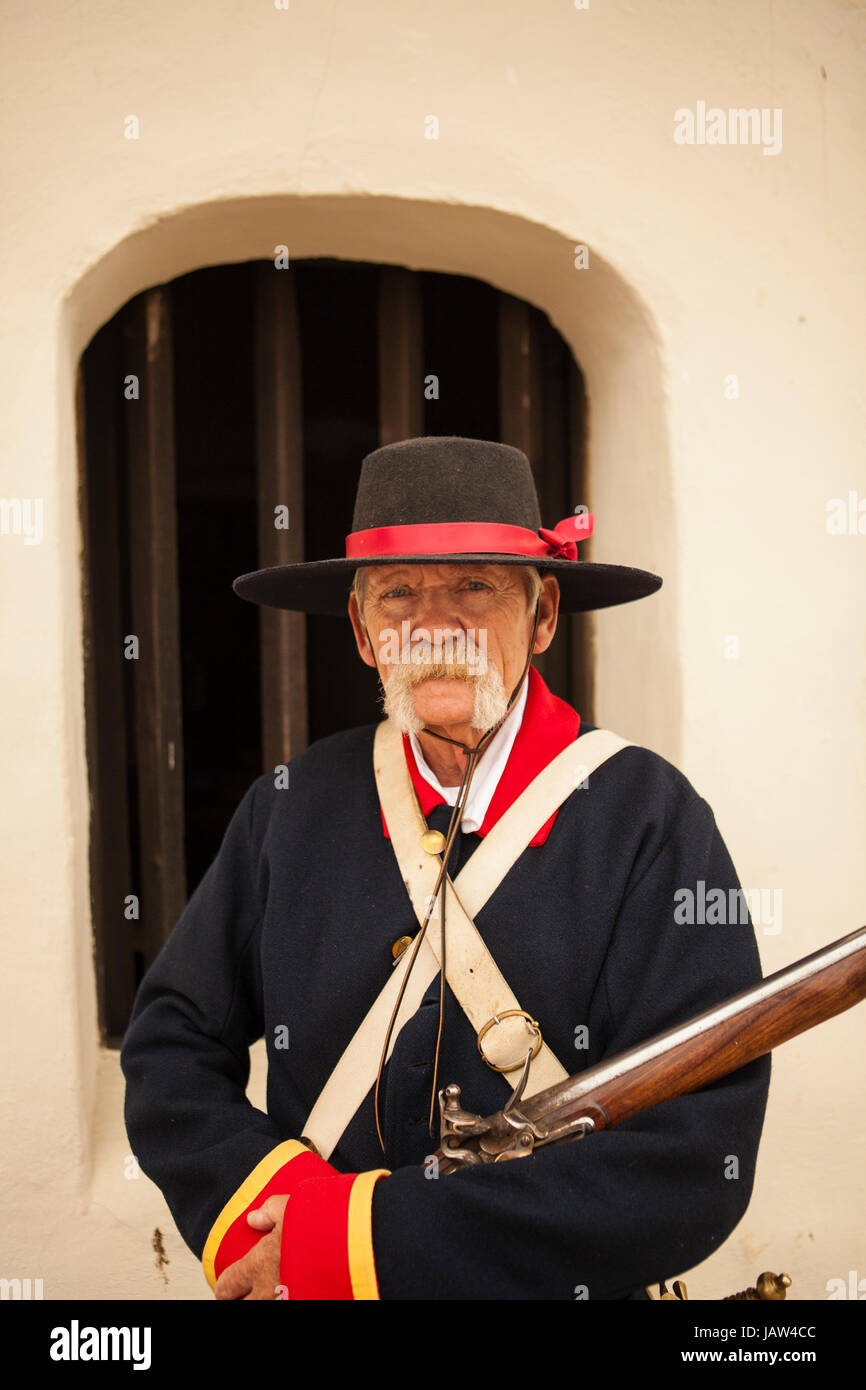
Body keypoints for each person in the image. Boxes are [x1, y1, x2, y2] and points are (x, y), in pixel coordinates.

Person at [121, 435, 770, 1300]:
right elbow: (171, 1045)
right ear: (361, 631)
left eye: (474, 586)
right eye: (397, 594)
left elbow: (695, 1155)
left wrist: (367, 1242)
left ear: (542, 618)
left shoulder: (649, 817)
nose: (433, 625)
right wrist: (285, 1220)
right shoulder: (291, 802)